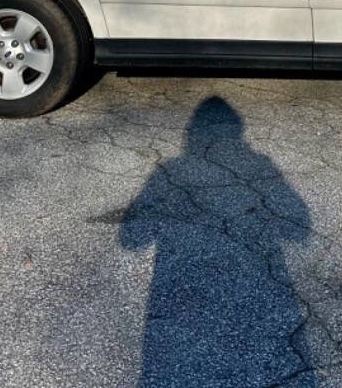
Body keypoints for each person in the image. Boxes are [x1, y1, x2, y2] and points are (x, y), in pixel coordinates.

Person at [118, 97, 315, 388]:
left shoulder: (169, 168)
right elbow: (300, 229)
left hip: (178, 318)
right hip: (257, 311)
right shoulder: (260, 163)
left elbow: (131, 239)